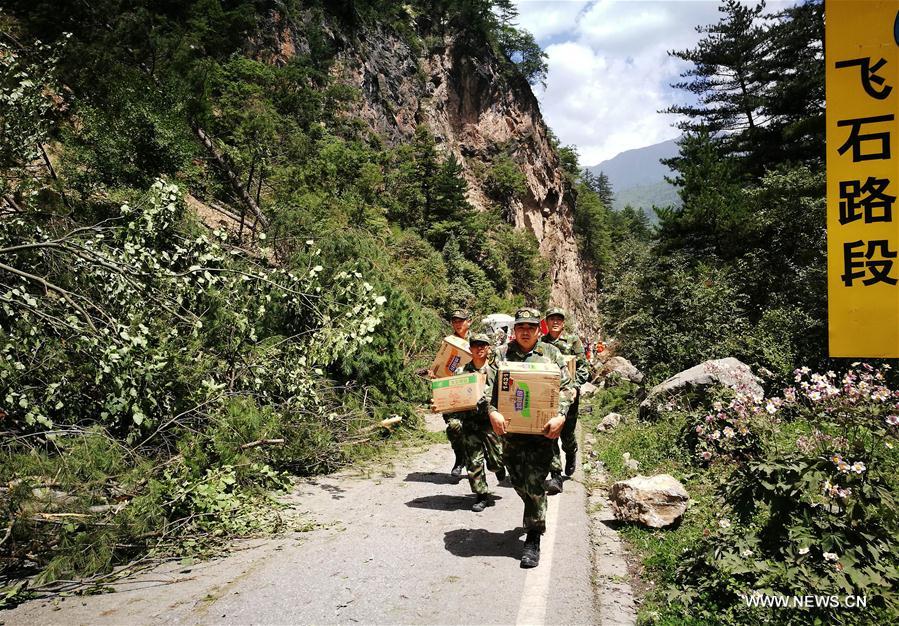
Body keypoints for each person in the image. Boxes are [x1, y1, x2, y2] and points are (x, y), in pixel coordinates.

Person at [487, 307, 575, 568]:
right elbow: (488, 390)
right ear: (515, 331)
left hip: (542, 432)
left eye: (531, 327)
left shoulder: (552, 354)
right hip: (511, 432)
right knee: (519, 482)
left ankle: (533, 538)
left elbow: (568, 388)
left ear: (539, 330)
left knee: (535, 483)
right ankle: (535, 510)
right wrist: (492, 412)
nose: (525, 331)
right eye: (521, 327)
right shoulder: (501, 355)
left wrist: (561, 416)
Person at [432, 333, 506, 511]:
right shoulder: (460, 371)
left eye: (483, 345)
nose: (479, 348)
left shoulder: (498, 372)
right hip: (470, 422)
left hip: (490, 423)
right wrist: (440, 405)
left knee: (497, 460)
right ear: (470, 349)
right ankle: (481, 495)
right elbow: (451, 396)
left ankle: (498, 466)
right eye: (475, 345)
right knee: (474, 461)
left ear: (488, 349)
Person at [541, 307, 590, 493]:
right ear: (546, 322)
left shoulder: (573, 341)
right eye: (551, 318)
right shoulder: (542, 343)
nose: (555, 321)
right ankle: (555, 475)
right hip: (548, 395)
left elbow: (584, 367)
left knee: (567, 434)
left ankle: (571, 452)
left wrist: (575, 386)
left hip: (569, 394)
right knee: (550, 433)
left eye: (559, 319)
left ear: (563, 322)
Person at [440, 308, 472, 477]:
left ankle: (489, 461)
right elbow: (441, 364)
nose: (458, 324)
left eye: (461, 320)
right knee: (454, 427)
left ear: (469, 321)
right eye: (455, 321)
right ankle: (460, 459)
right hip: (452, 391)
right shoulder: (448, 342)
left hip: (472, 392)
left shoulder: (478, 341)